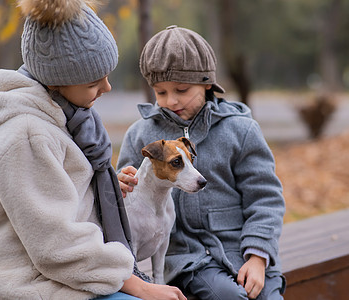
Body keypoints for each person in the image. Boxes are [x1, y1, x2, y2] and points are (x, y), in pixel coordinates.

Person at [0, 1, 186, 299]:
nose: (107, 88)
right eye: (93, 82)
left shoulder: (68, 116)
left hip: (68, 272)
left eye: (107, 76)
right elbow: (54, 245)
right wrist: (137, 284)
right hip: (34, 285)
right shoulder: (25, 136)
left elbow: (61, 191)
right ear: (57, 81)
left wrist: (109, 186)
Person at [117, 25, 286, 300]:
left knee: (268, 296)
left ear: (207, 83)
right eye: (160, 92)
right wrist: (121, 181)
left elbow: (265, 198)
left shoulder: (241, 131)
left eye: (181, 90)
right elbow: (121, 203)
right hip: (188, 260)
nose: (170, 101)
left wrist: (258, 255)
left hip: (242, 252)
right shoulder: (140, 135)